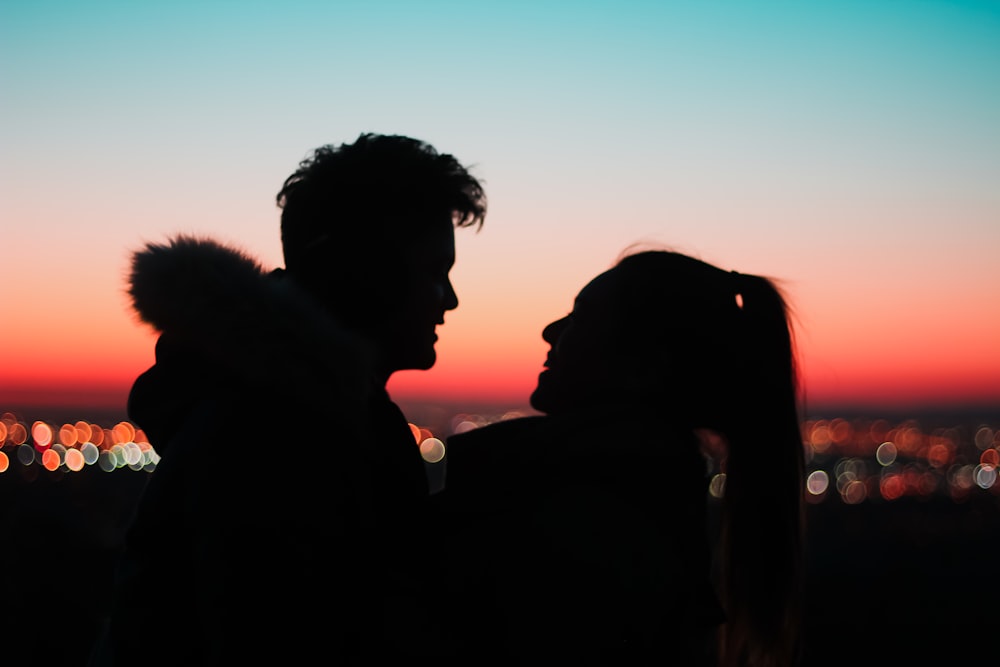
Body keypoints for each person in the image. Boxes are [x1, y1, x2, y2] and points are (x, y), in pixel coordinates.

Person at [92, 133, 487, 666]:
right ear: (368, 273)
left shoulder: (296, 411)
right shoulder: (283, 438)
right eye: (437, 272)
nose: (451, 300)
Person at [436, 249, 805, 666]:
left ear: (646, 366)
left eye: (582, 316)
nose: (550, 330)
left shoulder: (582, 526)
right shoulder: (627, 507)